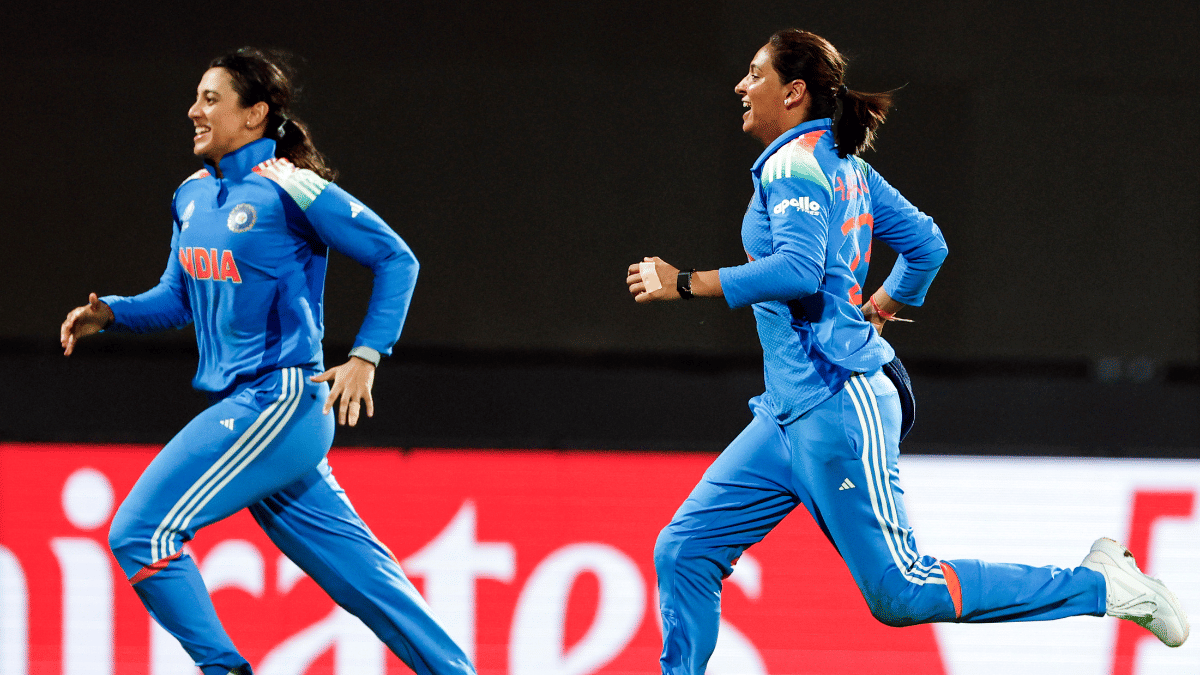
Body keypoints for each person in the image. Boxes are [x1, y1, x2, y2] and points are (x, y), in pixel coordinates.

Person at [626, 28, 1188, 675]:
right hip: (787, 412)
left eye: (757, 74)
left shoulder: (791, 164)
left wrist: (688, 283)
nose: (742, 86)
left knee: (900, 593)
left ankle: (1102, 585)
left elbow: (800, 269)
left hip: (838, 403)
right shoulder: (843, 166)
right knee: (686, 548)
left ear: (795, 91)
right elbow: (927, 244)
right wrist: (883, 307)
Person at [60, 48, 474, 675]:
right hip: (258, 413)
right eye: (196, 98)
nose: (193, 111)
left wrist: (366, 355)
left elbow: (397, 260)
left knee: (141, 534)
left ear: (255, 114)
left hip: (279, 402)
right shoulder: (192, 195)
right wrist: (113, 312)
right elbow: (178, 298)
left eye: (210, 99)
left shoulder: (291, 187)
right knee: (369, 585)